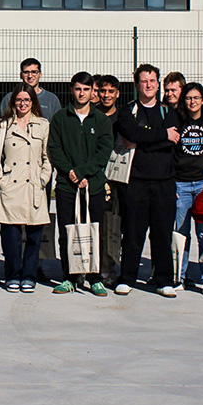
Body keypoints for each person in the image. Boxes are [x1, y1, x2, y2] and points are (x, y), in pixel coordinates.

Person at [114, 65, 181, 298]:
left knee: (162, 233)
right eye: (144, 81)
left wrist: (145, 140)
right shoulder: (128, 110)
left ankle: (164, 280)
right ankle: (127, 278)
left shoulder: (168, 111)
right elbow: (132, 134)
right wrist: (162, 135)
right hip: (136, 181)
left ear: (158, 83)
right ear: (137, 84)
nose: (149, 85)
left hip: (164, 181)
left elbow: (174, 139)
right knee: (133, 232)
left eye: (153, 80)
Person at [48, 72, 113, 295]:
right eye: (78, 89)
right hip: (67, 185)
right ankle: (69, 277)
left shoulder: (101, 120)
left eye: (86, 89)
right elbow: (54, 148)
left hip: (93, 185)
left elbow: (103, 152)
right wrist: (70, 172)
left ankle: (95, 277)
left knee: (96, 231)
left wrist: (84, 172)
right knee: (67, 231)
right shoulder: (60, 118)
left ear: (92, 91)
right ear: (72, 90)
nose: (82, 93)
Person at [0, 84, 51, 292]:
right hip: (11, 187)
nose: (23, 104)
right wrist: (0, 180)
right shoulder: (4, 125)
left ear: (33, 102)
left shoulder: (43, 125)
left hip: (34, 187)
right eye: (19, 100)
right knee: (10, 237)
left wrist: (43, 178)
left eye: (27, 100)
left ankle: (29, 276)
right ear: (13, 102)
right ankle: (12, 275)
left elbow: (48, 157)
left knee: (33, 237)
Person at [173, 82, 203, 296]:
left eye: (196, 97)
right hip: (181, 184)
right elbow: (171, 154)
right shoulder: (178, 122)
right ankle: (180, 276)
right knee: (181, 233)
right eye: (188, 98)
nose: (192, 101)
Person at [95, 74, 123, 288]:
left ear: (117, 94)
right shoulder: (92, 116)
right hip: (95, 177)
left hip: (117, 180)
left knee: (112, 226)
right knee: (93, 223)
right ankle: (89, 268)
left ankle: (108, 269)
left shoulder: (123, 118)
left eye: (110, 91)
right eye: (103, 91)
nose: (106, 95)